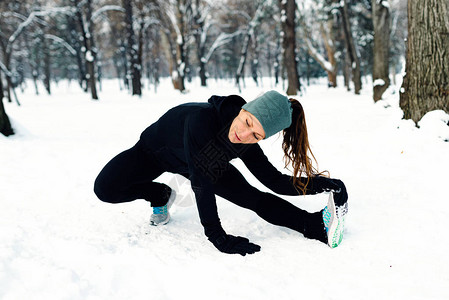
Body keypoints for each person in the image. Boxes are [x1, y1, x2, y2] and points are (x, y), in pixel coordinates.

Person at [94, 90, 348, 255]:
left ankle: (315, 226)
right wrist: (218, 236)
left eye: (256, 135)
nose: (244, 134)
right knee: (105, 189)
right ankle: (160, 194)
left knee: (253, 198)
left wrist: (325, 184)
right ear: (245, 109)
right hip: (153, 153)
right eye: (247, 122)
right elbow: (201, 185)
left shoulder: (244, 141)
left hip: (202, 163)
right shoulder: (201, 120)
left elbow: (274, 181)